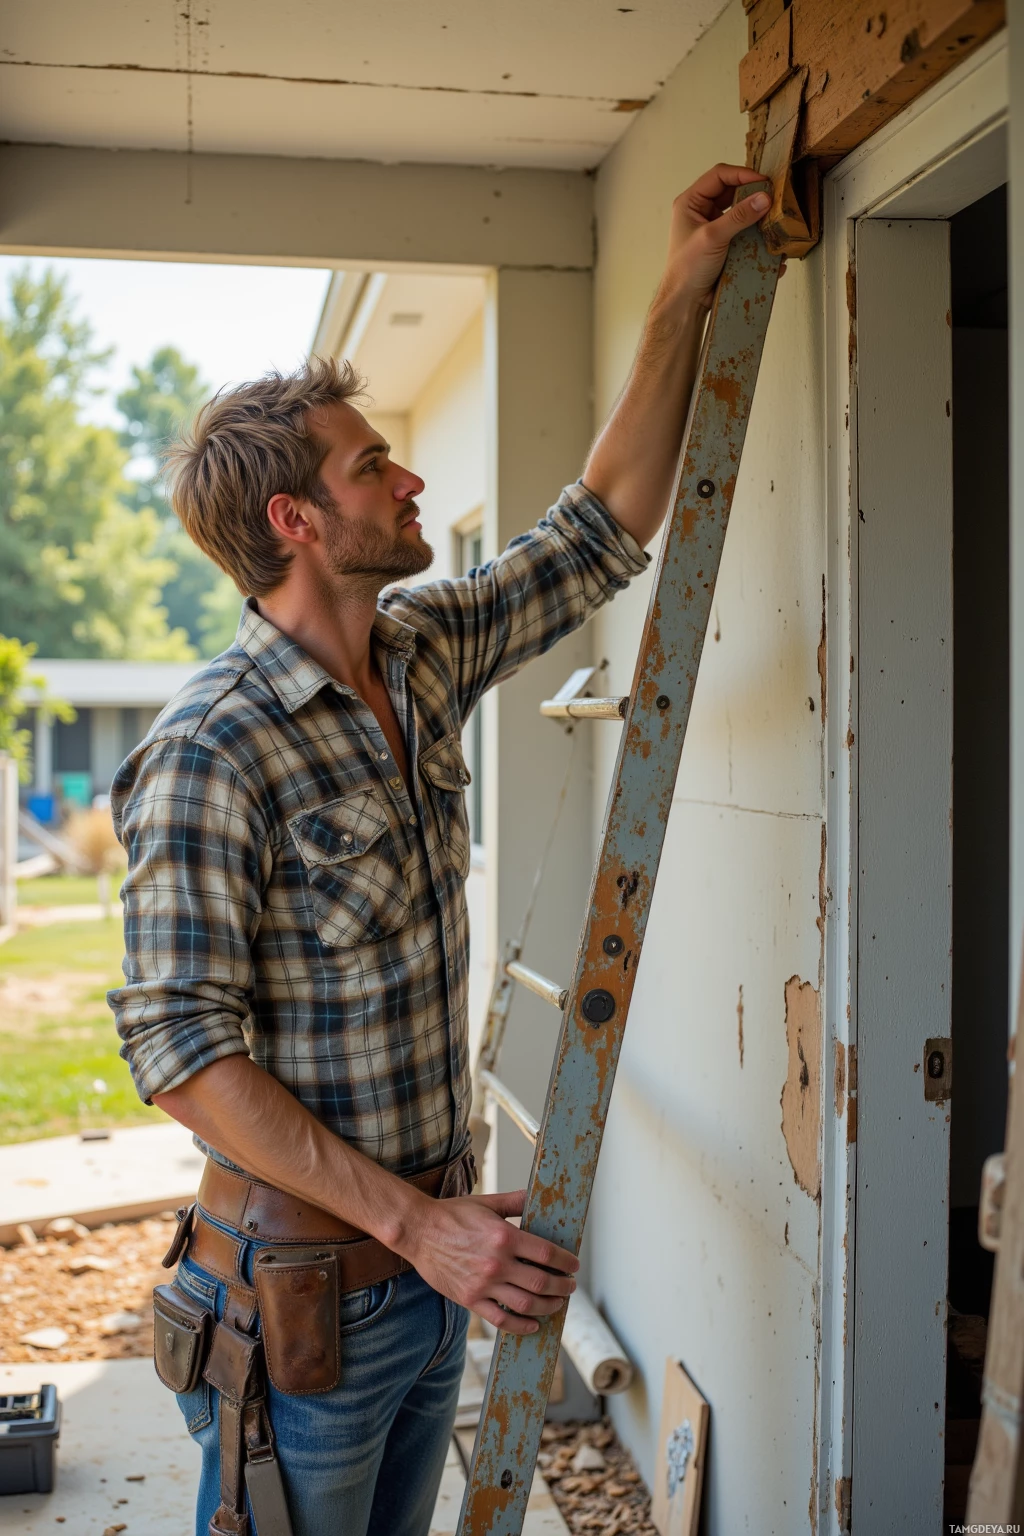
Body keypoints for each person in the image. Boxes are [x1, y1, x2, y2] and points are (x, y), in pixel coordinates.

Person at [108, 163, 770, 1536]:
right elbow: (180, 1051)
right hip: (302, 1313)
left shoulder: (418, 656)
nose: (410, 479)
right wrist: (417, 1229)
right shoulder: (208, 751)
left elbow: (602, 527)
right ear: (296, 523)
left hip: (425, 1279)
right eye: (372, 468)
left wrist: (684, 285)